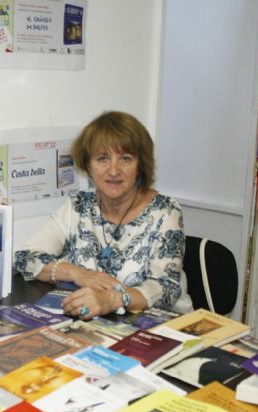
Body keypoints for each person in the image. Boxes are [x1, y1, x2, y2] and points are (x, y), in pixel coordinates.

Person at [14, 111, 192, 320]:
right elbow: (25, 258)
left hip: (159, 325)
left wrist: (113, 299)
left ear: (140, 166)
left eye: (125, 158)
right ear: (88, 166)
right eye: (102, 159)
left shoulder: (166, 211)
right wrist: (76, 273)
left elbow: (165, 287)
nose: (114, 171)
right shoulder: (78, 206)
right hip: (98, 323)